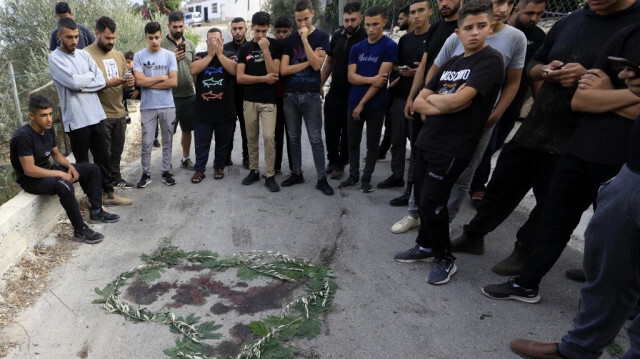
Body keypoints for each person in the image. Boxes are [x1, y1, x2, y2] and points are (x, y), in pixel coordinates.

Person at [450, 0, 640, 277]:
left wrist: (584, 78)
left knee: (553, 202)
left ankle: (526, 252)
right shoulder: (573, 19)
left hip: (585, 136)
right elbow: (535, 64)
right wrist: (546, 71)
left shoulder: (632, 27)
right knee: (503, 181)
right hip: (539, 124)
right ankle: (474, 234)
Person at [508, 56, 640, 359]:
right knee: (609, 274)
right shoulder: (624, 31)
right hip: (631, 173)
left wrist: (607, 95)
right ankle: (577, 349)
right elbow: (581, 101)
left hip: (618, 164)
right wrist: (624, 97)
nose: (625, 72)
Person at [393, 0, 504, 285]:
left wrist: (439, 102)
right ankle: (425, 245)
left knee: (434, 202)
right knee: (421, 198)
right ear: (458, 32)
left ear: (490, 27)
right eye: (468, 28)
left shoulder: (491, 61)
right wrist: (445, 104)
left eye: (481, 26)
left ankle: (444, 257)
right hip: (427, 140)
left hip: (454, 146)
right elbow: (419, 100)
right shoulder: (454, 62)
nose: (475, 33)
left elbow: (460, 101)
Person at [430, 0, 526, 224]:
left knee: (463, 175)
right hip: (443, 118)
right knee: (431, 168)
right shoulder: (455, 38)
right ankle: (419, 215)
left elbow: (513, 82)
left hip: (477, 121)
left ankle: (444, 223)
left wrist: (496, 114)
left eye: (482, 26)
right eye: (496, 2)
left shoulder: (511, 41)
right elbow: (434, 75)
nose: (501, 9)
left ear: (489, 27)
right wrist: (429, 104)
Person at [389, 0, 462, 235]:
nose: (445, 3)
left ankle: (443, 222)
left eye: (421, 10)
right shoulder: (437, 30)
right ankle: (414, 212)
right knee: (419, 156)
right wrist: (413, 97)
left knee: (454, 170)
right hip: (427, 102)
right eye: (413, 11)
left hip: (458, 107)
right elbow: (428, 68)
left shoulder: (468, 27)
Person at [10, 95, 118, 244]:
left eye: (50, 114)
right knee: (64, 185)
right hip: (31, 180)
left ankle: (97, 212)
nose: (48, 119)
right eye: (43, 115)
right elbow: (29, 170)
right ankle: (80, 230)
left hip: (47, 170)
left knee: (92, 169)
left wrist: (69, 167)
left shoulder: (48, 130)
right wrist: (60, 173)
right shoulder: (23, 136)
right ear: (31, 116)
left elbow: (56, 154)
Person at [469, 0, 546, 202]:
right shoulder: (491, 33)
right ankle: (477, 185)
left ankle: (473, 179)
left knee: (494, 145)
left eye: (539, 14)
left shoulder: (537, 36)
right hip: (489, 101)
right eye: (530, 13)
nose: (534, 19)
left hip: (515, 101)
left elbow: (535, 72)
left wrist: (539, 105)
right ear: (519, 9)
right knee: (486, 144)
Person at [48, 17, 131, 206]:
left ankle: (109, 194)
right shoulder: (55, 58)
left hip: (96, 115)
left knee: (103, 158)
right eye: (69, 37)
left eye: (76, 36)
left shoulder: (84, 55)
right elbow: (73, 82)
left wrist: (81, 83)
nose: (74, 41)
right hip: (76, 120)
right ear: (60, 35)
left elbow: (100, 79)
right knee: (84, 163)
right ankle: (93, 200)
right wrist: (86, 81)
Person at [337, 6, 397, 193]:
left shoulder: (389, 46)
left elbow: (382, 81)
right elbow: (351, 77)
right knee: (352, 142)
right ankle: (353, 175)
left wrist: (362, 103)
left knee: (372, 144)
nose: (371, 29)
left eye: (375, 24)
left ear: (384, 23)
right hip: (354, 101)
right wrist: (371, 79)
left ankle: (366, 178)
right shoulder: (357, 48)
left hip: (376, 105)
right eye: (368, 25)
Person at [280, 0, 334, 196]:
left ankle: (321, 178)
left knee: (315, 138)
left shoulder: (321, 36)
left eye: (305, 19)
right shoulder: (289, 40)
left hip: (311, 94)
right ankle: (296, 172)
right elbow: (284, 70)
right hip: (291, 94)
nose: (301, 24)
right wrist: (306, 64)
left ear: (312, 14)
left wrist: (305, 41)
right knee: (293, 137)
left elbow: (317, 66)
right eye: (298, 20)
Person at [378, 0, 432, 191]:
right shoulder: (405, 39)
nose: (416, 16)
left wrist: (422, 70)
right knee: (397, 140)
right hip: (401, 95)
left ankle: (413, 185)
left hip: (423, 98)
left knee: (417, 145)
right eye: (413, 12)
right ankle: (397, 176)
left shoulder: (435, 37)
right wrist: (401, 71)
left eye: (420, 11)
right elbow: (394, 64)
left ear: (430, 12)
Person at [85, 16, 136, 191]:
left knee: (117, 150)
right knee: (102, 154)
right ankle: (105, 187)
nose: (111, 42)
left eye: (113, 38)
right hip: (100, 114)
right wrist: (109, 83)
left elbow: (126, 80)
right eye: (107, 38)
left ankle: (116, 178)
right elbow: (85, 85)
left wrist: (129, 83)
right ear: (97, 33)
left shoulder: (118, 55)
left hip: (119, 112)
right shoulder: (86, 55)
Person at [236, 11, 283, 192]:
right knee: (251, 137)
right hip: (249, 100)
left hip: (268, 101)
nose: (261, 35)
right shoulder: (245, 49)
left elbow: (275, 73)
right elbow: (240, 77)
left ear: (268, 28)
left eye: (264, 31)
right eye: (257, 31)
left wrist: (265, 49)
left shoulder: (275, 46)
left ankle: (269, 174)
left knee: (269, 137)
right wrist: (263, 79)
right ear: (251, 28)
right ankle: (254, 170)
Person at [320, 2, 367, 180]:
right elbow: (329, 62)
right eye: (346, 20)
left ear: (360, 19)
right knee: (330, 130)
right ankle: (332, 161)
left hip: (354, 93)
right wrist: (320, 84)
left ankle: (341, 164)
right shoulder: (338, 36)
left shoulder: (365, 38)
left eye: (353, 20)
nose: (349, 24)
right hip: (335, 92)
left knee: (347, 133)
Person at [133, 21, 178, 188]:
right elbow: (138, 80)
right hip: (147, 106)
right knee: (146, 142)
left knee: (167, 140)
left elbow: (173, 82)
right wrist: (161, 77)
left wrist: (147, 81)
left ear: (161, 36)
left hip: (167, 105)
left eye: (157, 37)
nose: (154, 41)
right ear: (146, 37)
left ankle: (166, 172)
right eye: (151, 38)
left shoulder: (169, 55)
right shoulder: (139, 56)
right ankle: (146, 174)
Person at [189, 28, 237, 184]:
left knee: (223, 141)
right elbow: (193, 69)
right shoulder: (201, 56)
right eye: (210, 39)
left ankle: (219, 166)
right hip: (203, 110)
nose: (214, 42)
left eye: (217, 39)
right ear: (206, 42)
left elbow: (234, 70)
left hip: (225, 109)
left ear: (222, 41)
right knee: (201, 142)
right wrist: (210, 55)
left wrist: (219, 54)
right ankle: (200, 169)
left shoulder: (230, 55)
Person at [161, 12, 196, 171]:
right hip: (170, 97)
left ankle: (185, 158)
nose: (178, 29)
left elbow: (195, 70)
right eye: (175, 27)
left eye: (181, 26)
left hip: (189, 96)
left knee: (187, 130)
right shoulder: (161, 45)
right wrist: (172, 59)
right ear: (168, 26)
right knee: (169, 132)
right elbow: (157, 71)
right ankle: (166, 163)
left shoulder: (189, 44)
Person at [223, 17, 250, 169]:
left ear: (246, 29)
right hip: (229, 95)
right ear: (231, 30)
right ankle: (226, 156)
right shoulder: (225, 48)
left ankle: (247, 157)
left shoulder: (252, 47)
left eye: (241, 28)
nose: (238, 32)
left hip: (247, 95)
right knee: (228, 128)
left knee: (247, 129)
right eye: (235, 29)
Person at [273, 15, 294, 175]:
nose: (281, 35)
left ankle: (295, 167)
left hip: (292, 96)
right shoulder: (273, 47)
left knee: (292, 134)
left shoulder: (295, 47)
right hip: (275, 97)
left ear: (290, 31)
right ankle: (276, 165)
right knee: (276, 133)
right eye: (278, 32)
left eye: (284, 32)